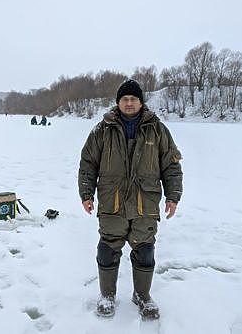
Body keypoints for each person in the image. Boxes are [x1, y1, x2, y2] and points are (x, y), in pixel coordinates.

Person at [78, 79, 183, 319]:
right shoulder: (101, 130)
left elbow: (171, 165)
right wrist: (86, 193)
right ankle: (107, 296)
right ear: (117, 102)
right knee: (107, 249)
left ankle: (142, 296)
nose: (128, 103)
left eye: (133, 99)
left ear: (141, 102)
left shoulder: (157, 130)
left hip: (144, 203)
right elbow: (87, 164)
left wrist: (173, 196)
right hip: (111, 202)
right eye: (124, 99)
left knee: (145, 250)